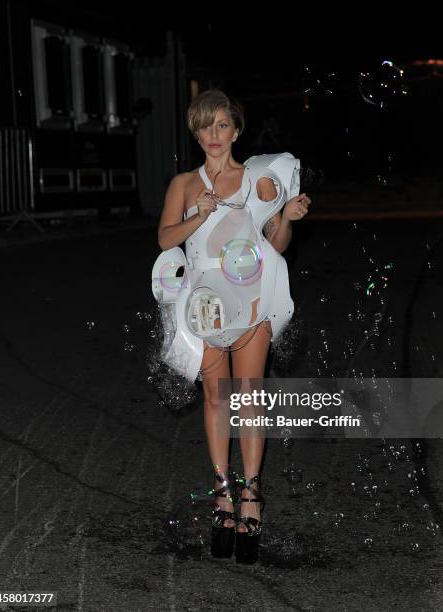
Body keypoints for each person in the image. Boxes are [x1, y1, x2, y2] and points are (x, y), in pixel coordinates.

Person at [155, 89, 310, 563]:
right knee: (216, 397)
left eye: (223, 125)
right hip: (203, 304)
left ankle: (252, 498)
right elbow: (164, 240)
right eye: (206, 126)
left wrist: (286, 216)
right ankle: (223, 494)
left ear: (236, 131)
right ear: (196, 133)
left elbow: (275, 245)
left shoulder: (257, 178)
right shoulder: (184, 184)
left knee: (248, 395)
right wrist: (196, 214)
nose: (214, 135)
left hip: (251, 298)